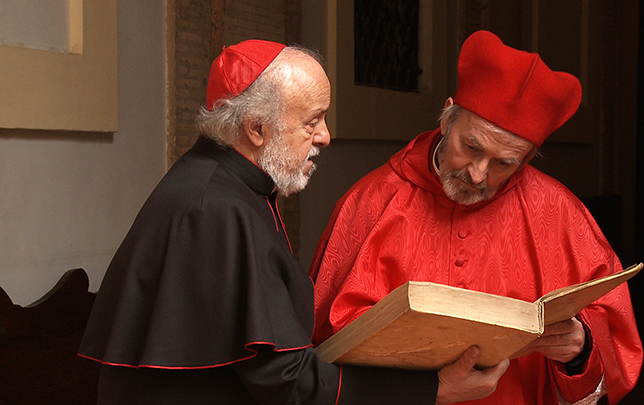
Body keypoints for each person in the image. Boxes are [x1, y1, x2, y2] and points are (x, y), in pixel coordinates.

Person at [78, 39, 509, 405]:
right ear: (256, 129)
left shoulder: (224, 185)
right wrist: (432, 389)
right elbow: (287, 379)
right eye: (312, 121)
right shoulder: (219, 209)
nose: (325, 135)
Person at [310, 30, 643, 405]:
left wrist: (580, 348)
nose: (478, 174)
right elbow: (320, 344)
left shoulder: (558, 212)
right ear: (448, 117)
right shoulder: (371, 201)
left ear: (527, 159)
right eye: (471, 146)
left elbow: (614, 338)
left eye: (504, 163)